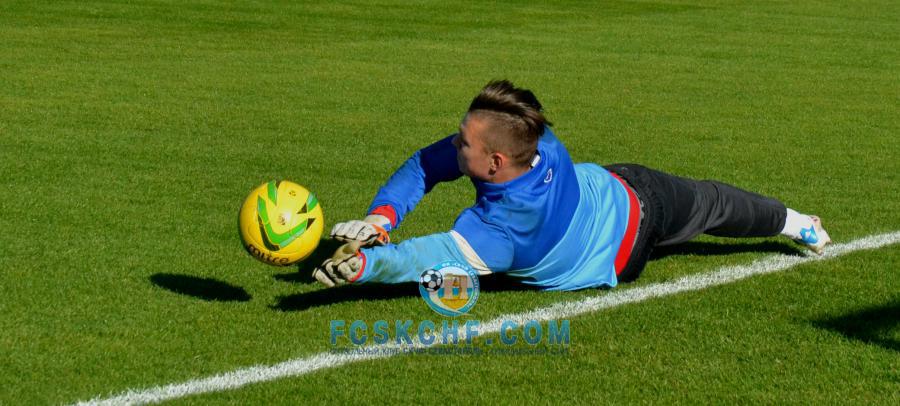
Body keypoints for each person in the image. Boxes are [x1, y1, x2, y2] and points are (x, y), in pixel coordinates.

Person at [312, 80, 831, 290]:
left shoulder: (498, 235)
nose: (454, 144)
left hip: (629, 241)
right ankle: (799, 224)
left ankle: (798, 224)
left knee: (712, 206)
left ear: (494, 162)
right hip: (627, 189)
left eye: (463, 142)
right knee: (713, 202)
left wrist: (366, 266)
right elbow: (426, 165)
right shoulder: (537, 137)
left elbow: (422, 258)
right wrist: (381, 217)